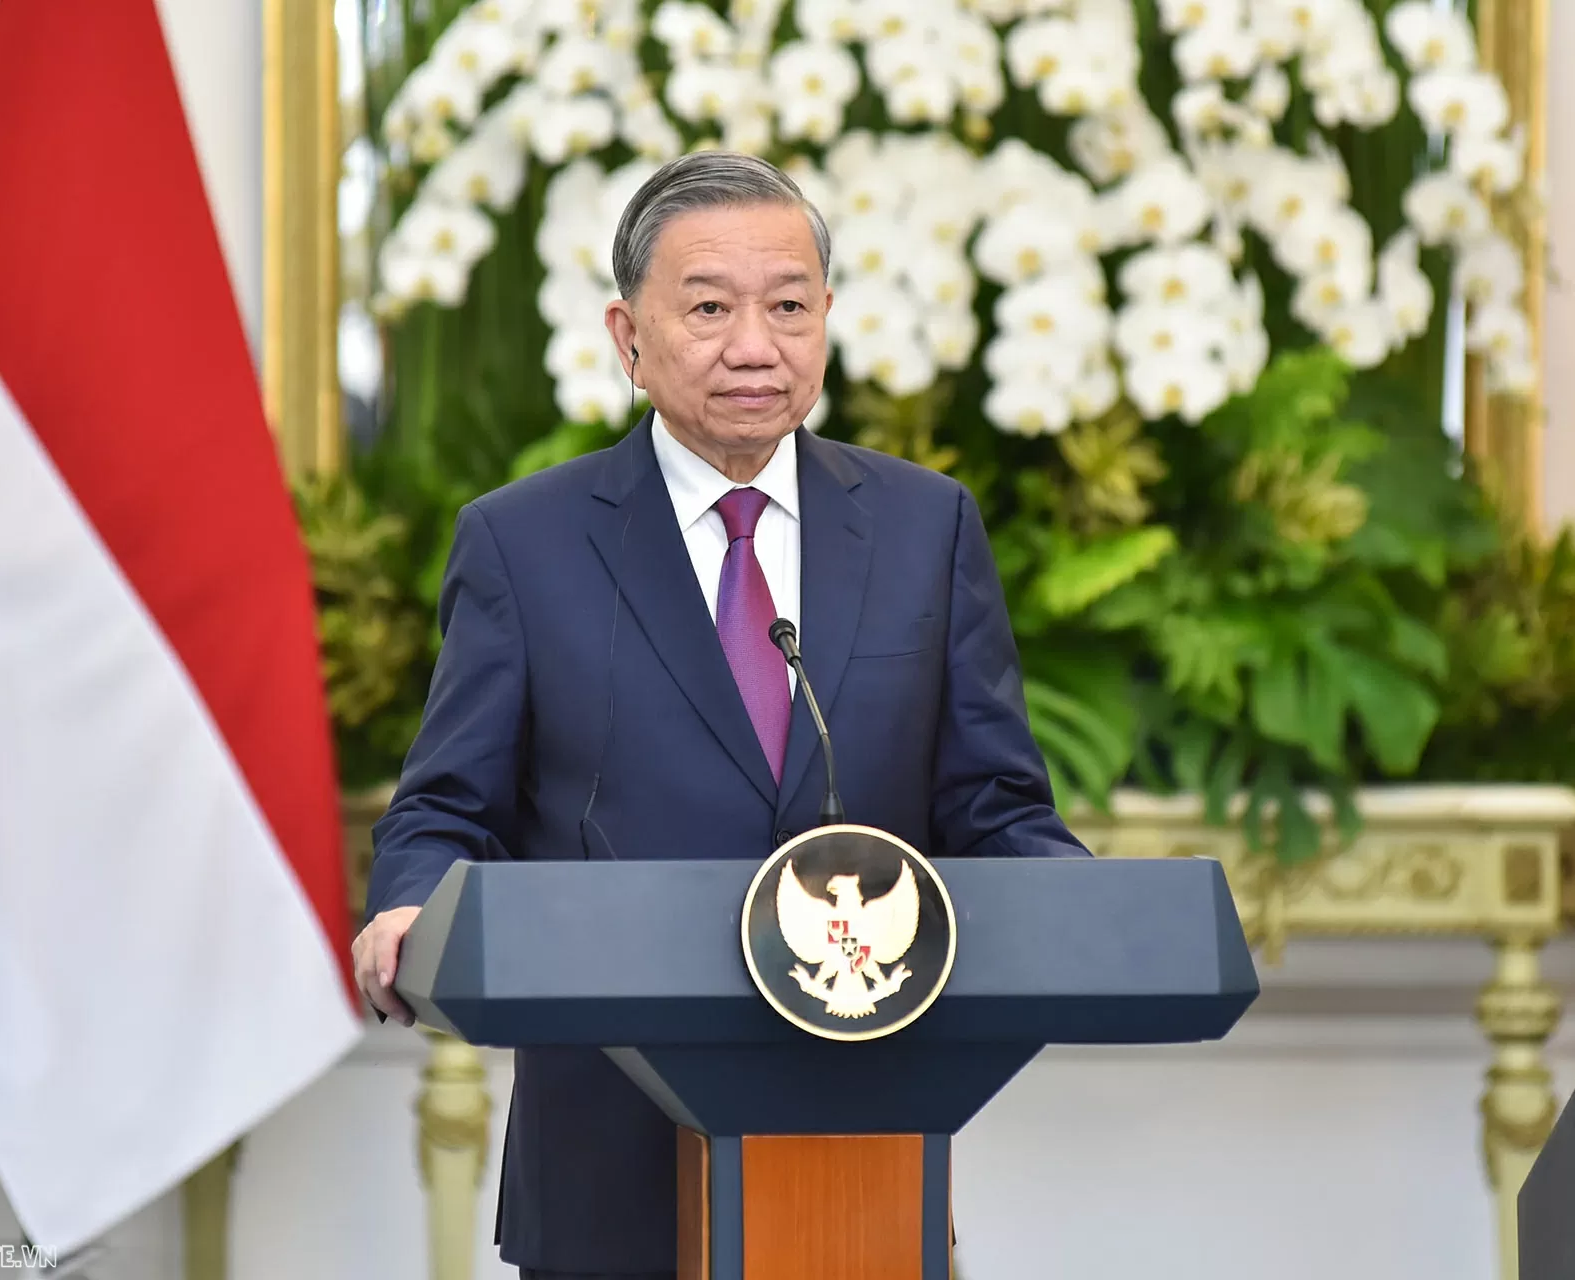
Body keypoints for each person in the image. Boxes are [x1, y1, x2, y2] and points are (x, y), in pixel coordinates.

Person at [353, 150, 1090, 1280]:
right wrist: (409, 903)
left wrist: (1088, 908)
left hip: (861, 1141)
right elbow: (448, 804)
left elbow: (993, 800)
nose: (756, 343)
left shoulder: (924, 526)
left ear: (828, 319)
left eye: (789, 305)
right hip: (607, 1150)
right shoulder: (527, 541)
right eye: (709, 307)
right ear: (628, 335)